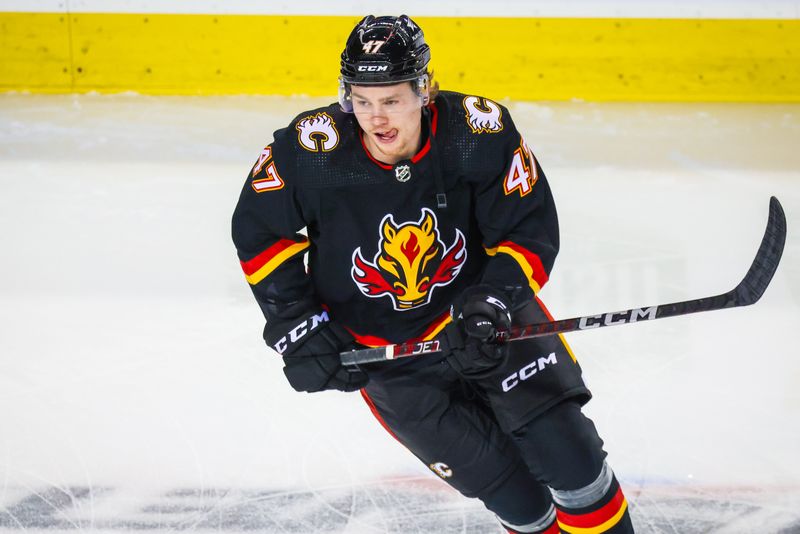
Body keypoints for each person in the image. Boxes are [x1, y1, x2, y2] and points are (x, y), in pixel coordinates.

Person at [232, 14, 634, 533]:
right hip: (393, 362)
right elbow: (262, 234)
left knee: (575, 466)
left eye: (392, 99)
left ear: (425, 90)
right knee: (521, 504)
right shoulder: (311, 151)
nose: (375, 117)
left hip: (490, 328)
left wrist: (494, 301)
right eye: (362, 98)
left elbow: (526, 228)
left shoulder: (476, 132)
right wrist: (298, 326)